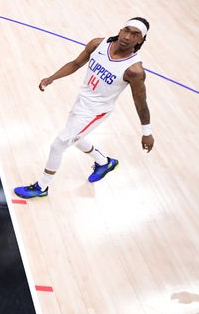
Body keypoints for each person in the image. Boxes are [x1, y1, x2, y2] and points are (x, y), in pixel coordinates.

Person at [14, 18, 155, 199]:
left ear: (141, 40)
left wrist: (146, 131)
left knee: (58, 145)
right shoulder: (99, 44)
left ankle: (41, 187)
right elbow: (75, 64)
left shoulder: (134, 70)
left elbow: (140, 102)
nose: (127, 37)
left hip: (96, 111)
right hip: (82, 101)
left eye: (135, 34)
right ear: (120, 30)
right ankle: (104, 162)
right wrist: (51, 78)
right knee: (75, 138)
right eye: (126, 30)